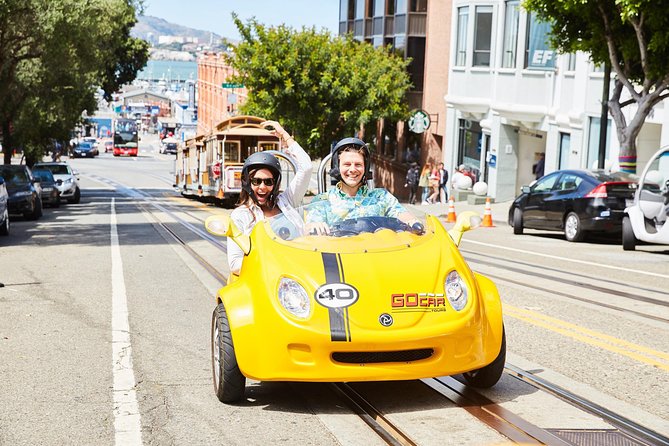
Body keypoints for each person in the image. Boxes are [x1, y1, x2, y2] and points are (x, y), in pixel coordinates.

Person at [227, 120, 312, 275]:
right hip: (268, 279)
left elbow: (306, 168)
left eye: (268, 182)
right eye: (256, 181)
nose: (262, 187)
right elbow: (235, 264)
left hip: (301, 272)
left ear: (275, 183)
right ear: (248, 182)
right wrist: (274, 263)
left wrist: (285, 136)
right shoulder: (240, 215)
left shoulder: (286, 201)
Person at [306, 137, 422, 235]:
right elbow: (312, 224)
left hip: (376, 257)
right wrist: (314, 225)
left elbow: (400, 213)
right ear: (337, 167)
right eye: (347, 164)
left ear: (365, 168)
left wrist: (411, 221)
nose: (352, 169)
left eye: (358, 165)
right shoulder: (323, 201)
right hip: (339, 258)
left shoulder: (381, 197)